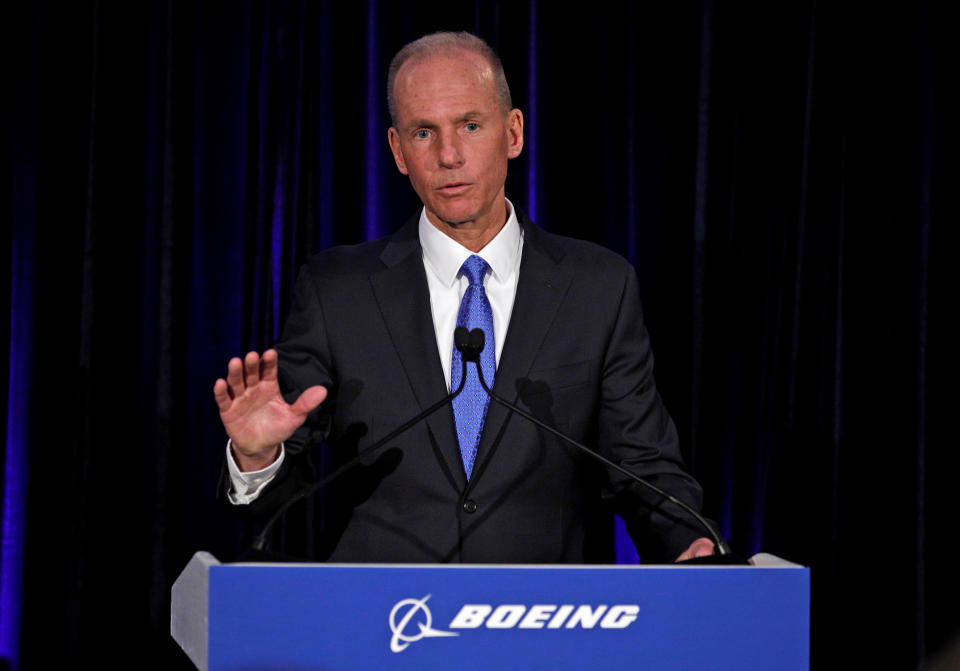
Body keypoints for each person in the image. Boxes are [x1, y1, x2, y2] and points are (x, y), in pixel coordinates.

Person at [213, 31, 716, 563]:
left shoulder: (599, 287)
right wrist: (258, 454)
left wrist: (691, 545)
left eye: (470, 126)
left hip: (546, 621)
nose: (448, 155)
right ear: (398, 150)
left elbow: (642, 467)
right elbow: (280, 489)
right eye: (423, 132)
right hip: (387, 622)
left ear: (513, 132)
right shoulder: (337, 290)